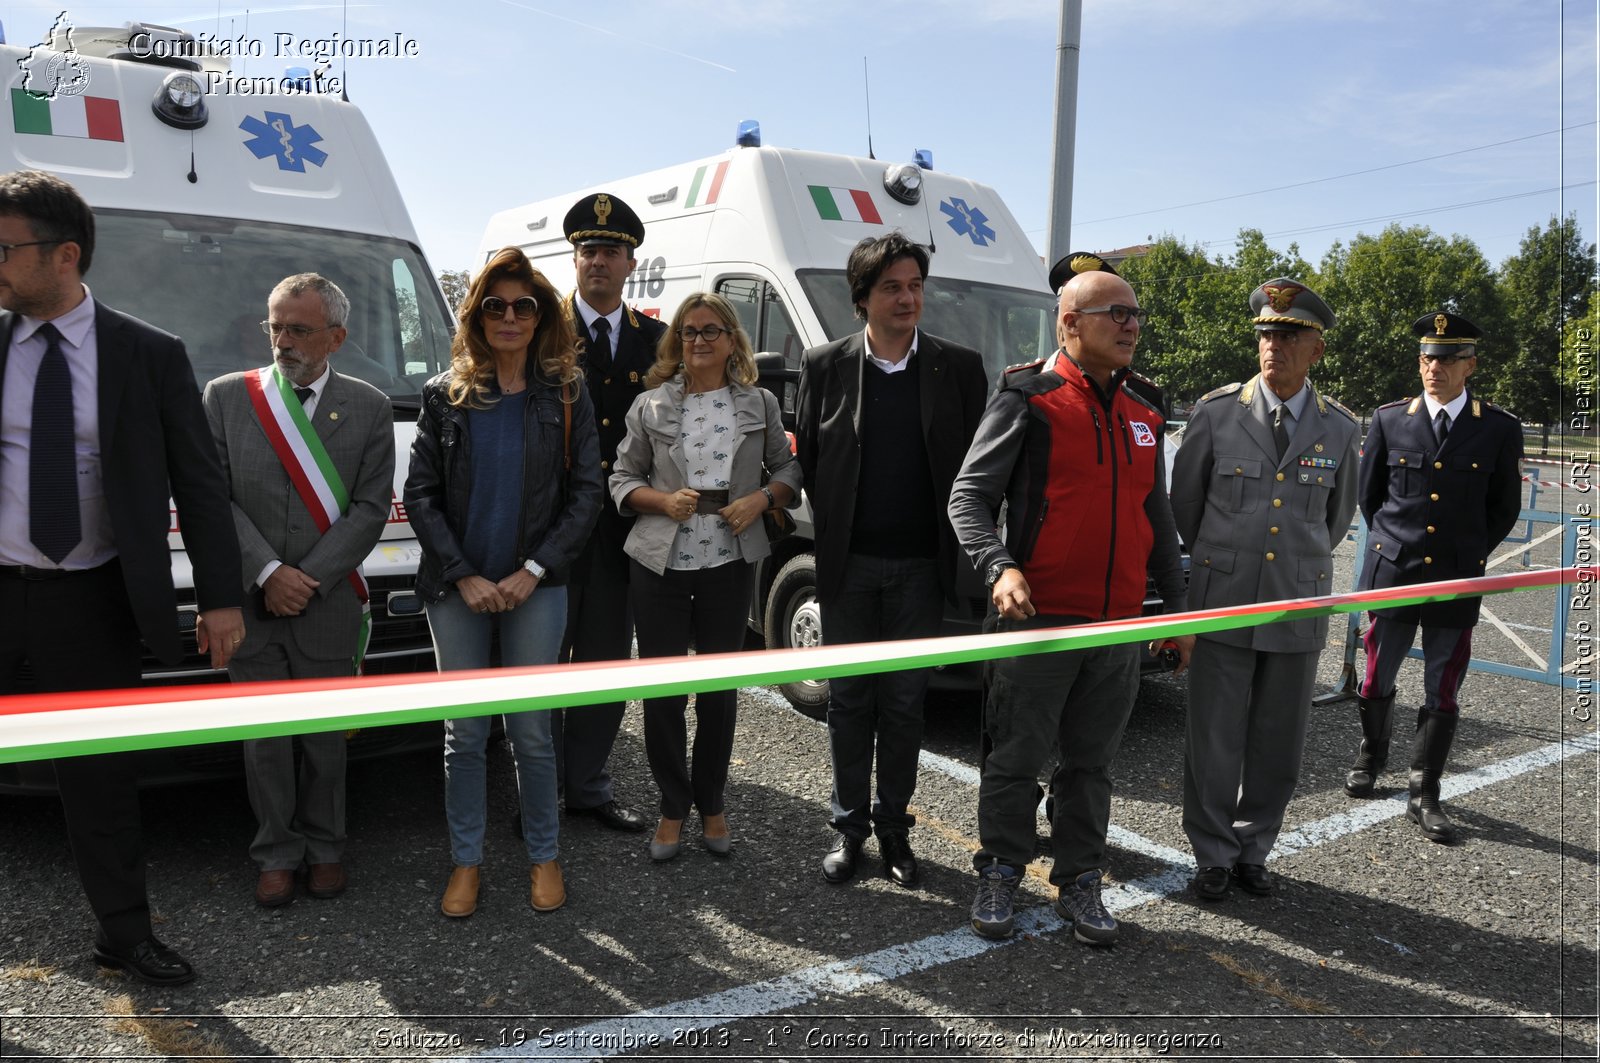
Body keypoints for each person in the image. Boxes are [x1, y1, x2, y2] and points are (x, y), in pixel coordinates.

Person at [0, 170, 245, 984]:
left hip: (90, 602)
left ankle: (124, 934)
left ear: (64, 255)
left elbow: (201, 484)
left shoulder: (149, 354)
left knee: (100, 779)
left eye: (6, 249)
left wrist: (218, 597)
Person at [947, 256, 1191, 944]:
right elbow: (969, 496)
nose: (1131, 324)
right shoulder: (1029, 394)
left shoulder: (1147, 405)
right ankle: (1000, 869)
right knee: (1016, 755)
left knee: (1090, 764)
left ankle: (1080, 880)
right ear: (1070, 322)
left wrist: (1178, 611)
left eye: (1135, 313)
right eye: (1117, 313)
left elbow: (1157, 515)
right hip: (1038, 621)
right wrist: (999, 566)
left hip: (1115, 625)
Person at [404, 247, 603, 918]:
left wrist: (534, 568)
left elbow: (587, 493)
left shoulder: (567, 393)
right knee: (464, 732)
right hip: (458, 589)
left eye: (524, 305)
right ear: (477, 316)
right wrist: (462, 575)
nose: (510, 317)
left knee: (532, 729)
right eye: (496, 306)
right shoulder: (444, 394)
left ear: (542, 314)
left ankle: (544, 855)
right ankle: (466, 862)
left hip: (535, 589)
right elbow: (421, 493)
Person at [795, 231, 987, 888]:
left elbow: (974, 472)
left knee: (905, 704)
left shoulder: (958, 368)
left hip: (919, 573)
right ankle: (849, 831)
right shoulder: (822, 366)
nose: (907, 298)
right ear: (862, 298)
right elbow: (814, 468)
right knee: (849, 702)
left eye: (915, 286)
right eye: (891, 287)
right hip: (850, 571)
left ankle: (895, 832)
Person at [202, 273, 395, 907]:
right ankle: (276, 852)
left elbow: (370, 507)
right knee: (264, 741)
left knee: (324, 742)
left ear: (336, 337)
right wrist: (267, 572)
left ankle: (326, 847)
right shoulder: (228, 397)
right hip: (252, 601)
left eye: (299, 329)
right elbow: (213, 499)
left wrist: (308, 578)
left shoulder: (368, 405)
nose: (283, 340)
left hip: (327, 599)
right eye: (275, 326)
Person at [1170, 277, 1359, 902]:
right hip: (1222, 601)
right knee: (1214, 739)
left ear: (1316, 350)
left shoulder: (1340, 429)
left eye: (1289, 335)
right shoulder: (1217, 412)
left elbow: (1333, 522)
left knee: (1279, 743)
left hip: (1296, 602)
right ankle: (1213, 855)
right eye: (1266, 335)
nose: (1274, 345)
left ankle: (1255, 848)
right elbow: (1186, 509)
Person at [609, 292, 800, 861]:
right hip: (659, 561)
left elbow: (788, 467)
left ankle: (712, 804)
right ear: (677, 341)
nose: (698, 340)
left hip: (729, 560)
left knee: (719, 692)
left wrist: (764, 497)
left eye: (711, 331)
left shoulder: (759, 402)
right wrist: (663, 502)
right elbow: (621, 479)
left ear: (732, 340)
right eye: (688, 331)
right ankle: (672, 807)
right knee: (663, 692)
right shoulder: (649, 406)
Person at [1347, 311, 1523, 843]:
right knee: (1378, 675)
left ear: (1469, 364)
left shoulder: (1498, 427)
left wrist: (1465, 552)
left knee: (1443, 687)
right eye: (1427, 358)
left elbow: (1503, 509)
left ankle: (1425, 792)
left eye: (1446, 359)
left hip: (1455, 576)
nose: (1434, 368)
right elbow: (1370, 496)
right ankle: (1370, 758)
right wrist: (1396, 544)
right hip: (1394, 570)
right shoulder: (1389, 419)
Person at [555, 192, 666, 834]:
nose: (599, 261)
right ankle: (540, 790)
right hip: (550, 532)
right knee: (543, 666)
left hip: (624, 532)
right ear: (575, 260)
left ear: (631, 264)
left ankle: (589, 787)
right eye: (588, 250)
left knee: (602, 664)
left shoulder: (657, 342)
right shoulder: (542, 332)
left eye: (612, 252)